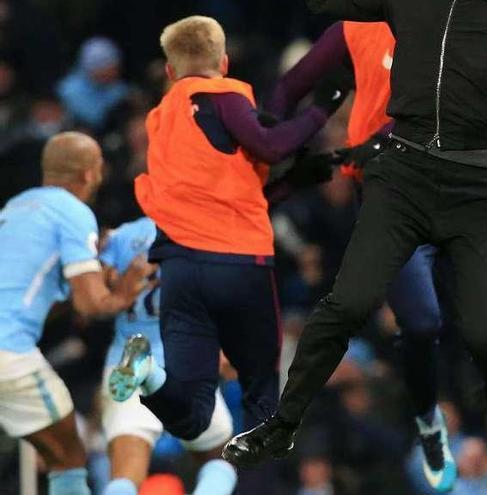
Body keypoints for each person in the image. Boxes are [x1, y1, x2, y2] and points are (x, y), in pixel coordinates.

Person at [224, 0, 487, 493]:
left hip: (475, 183)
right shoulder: (367, 24)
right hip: (398, 186)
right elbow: (290, 86)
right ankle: (427, 423)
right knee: (416, 319)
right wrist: (269, 141)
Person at [106, 14, 347, 491]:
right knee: (262, 396)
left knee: (193, 413)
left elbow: (228, 185)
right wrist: (321, 110)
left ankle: (148, 373)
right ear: (224, 61)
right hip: (240, 263)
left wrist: (294, 182)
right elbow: (270, 143)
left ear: (170, 72)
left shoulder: (160, 121)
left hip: (180, 267)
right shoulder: (222, 92)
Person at [0, 132, 155, 495]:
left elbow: (34, 292)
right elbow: (92, 304)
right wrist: (121, 292)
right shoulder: (74, 212)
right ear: (89, 174)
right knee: (69, 456)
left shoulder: (14, 208)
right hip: (8, 351)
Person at [99, 216, 237, 495]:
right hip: (187, 361)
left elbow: (92, 298)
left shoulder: (120, 237)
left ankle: (146, 368)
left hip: (125, 357)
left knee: (125, 476)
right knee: (219, 458)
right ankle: (149, 369)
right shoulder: (206, 232)